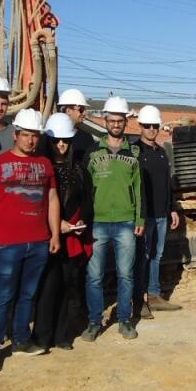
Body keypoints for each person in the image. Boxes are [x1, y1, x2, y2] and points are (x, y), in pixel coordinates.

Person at [0, 109, 61, 373]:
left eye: (34, 135)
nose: (30, 140)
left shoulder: (45, 165)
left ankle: (21, 340)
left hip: (38, 241)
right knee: (2, 297)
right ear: (15, 135)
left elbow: (52, 200)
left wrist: (55, 233)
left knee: (28, 295)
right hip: (6, 243)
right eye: (25, 135)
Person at [82, 96, 144, 341]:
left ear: (125, 122)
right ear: (105, 121)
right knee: (94, 276)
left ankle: (124, 320)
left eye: (120, 121)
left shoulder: (134, 152)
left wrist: (140, 219)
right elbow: (85, 190)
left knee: (125, 275)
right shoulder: (92, 152)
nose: (116, 124)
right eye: (112, 120)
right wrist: (85, 219)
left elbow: (139, 189)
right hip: (98, 222)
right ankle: (94, 321)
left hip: (126, 222)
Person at [32, 113, 93, 351]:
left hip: (71, 239)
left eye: (65, 141)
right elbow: (34, 203)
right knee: (47, 287)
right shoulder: (39, 169)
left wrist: (80, 222)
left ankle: (63, 335)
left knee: (69, 285)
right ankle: (42, 336)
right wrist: (56, 224)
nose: (61, 145)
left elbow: (87, 202)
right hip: (45, 237)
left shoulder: (79, 171)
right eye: (56, 140)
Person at [133, 105, 182, 319]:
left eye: (155, 125)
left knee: (156, 255)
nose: (152, 129)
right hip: (145, 216)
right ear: (140, 126)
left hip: (162, 213)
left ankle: (154, 294)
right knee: (142, 257)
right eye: (147, 126)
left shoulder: (162, 153)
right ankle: (139, 299)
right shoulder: (135, 152)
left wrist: (172, 209)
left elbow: (167, 184)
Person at [57, 88, 96, 163]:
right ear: (68, 111)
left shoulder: (86, 137)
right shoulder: (52, 136)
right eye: (81, 110)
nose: (84, 113)